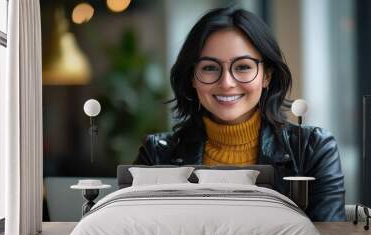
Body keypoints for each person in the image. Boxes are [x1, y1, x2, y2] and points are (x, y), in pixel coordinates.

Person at [134, 7, 345, 221]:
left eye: (243, 67)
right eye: (209, 68)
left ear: (266, 77)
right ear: (192, 77)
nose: (226, 83)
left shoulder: (313, 150)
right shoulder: (156, 155)